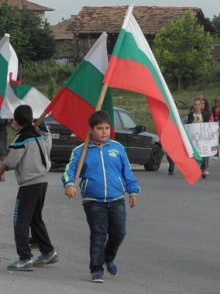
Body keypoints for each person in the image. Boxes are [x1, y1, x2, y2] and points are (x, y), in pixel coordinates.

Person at [62, 110, 140, 283]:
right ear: (91, 130)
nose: (104, 131)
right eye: (100, 128)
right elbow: (70, 170)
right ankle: (96, 269)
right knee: (98, 234)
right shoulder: (81, 151)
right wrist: (69, 185)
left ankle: (108, 257)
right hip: (93, 200)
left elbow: (127, 172)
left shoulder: (117, 148)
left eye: (106, 128)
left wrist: (132, 191)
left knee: (119, 233)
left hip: (116, 198)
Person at [3, 105, 57, 271]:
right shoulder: (39, 135)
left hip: (29, 184)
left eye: (13, 120)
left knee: (20, 221)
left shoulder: (21, 138)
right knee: (35, 219)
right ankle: (48, 252)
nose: (12, 123)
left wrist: (3, 166)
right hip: (42, 182)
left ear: (17, 121)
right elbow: (47, 148)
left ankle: (25, 258)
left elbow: (11, 162)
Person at [186, 97, 213, 179]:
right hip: (194, 138)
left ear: (201, 105)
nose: (197, 106)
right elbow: (187, 126)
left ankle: (203, 169)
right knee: (193, 154)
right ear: (193, 106)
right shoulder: (190, 116)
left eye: (198, 104)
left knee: (203, 153)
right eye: (195, 104)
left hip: (202, 138)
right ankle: (194, 169)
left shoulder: (205, 114)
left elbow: (208, 125)